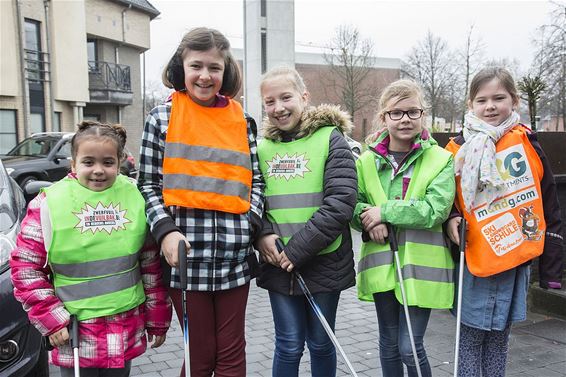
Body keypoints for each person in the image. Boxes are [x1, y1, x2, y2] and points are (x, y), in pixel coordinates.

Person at [138, 27, 265, 377]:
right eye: (196, 66)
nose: (205, 76)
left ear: (226, 72)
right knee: (201, 356)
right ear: (181, 67)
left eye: (215, 67)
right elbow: (146, 185)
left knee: (232, 356)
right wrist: (164, 232)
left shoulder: (243, 120)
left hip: (233, 259)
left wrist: (249, 225)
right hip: (185, 260)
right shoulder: (160, 119)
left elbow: (257, 183)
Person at [11, 121, 171, 377]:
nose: (98, 170)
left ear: (119, 164)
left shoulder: (135, 197)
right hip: (72, 331)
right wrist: (51, 319)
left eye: (108, 162)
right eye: (88, 162)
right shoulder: (49, 203)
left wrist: (157, 318)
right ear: (73, 164)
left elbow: (150, 265)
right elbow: (25, 269)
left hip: (123, 325)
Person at [445, 67, 563, 377]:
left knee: (499, 339)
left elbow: (548, 202)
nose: (491, 106)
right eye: (482, 100)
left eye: (499, 97)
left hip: (514, 260)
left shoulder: (527, 142)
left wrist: (552, 268)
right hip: (475, 262)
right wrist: (453, 219)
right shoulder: (456, 150)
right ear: (471, 105)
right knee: (469, 338)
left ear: (514, 100)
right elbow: (447, 201)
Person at [254, 66, 357, 377]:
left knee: (321, 343)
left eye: (286, 97)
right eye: (270, 102)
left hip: (324, 261)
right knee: (287, 344)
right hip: (277, 263)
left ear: (304, 97)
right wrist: (261, 235)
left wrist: (297, 250)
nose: (279, 107)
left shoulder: (331, 138)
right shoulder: (260, 148)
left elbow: (341, 203)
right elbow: (252, 200)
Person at [351, 79, 455, 377]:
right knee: (388, 343)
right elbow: (354, 205)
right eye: (396, 113)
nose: (405, 119)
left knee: (409, 346)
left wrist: (384, 212)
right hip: (383, 266)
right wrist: (368, 222)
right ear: (384, 117)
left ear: (423, 115)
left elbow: (435, 210)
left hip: (421, 269)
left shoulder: (440, 159)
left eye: (412, 111)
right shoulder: (366, 162)